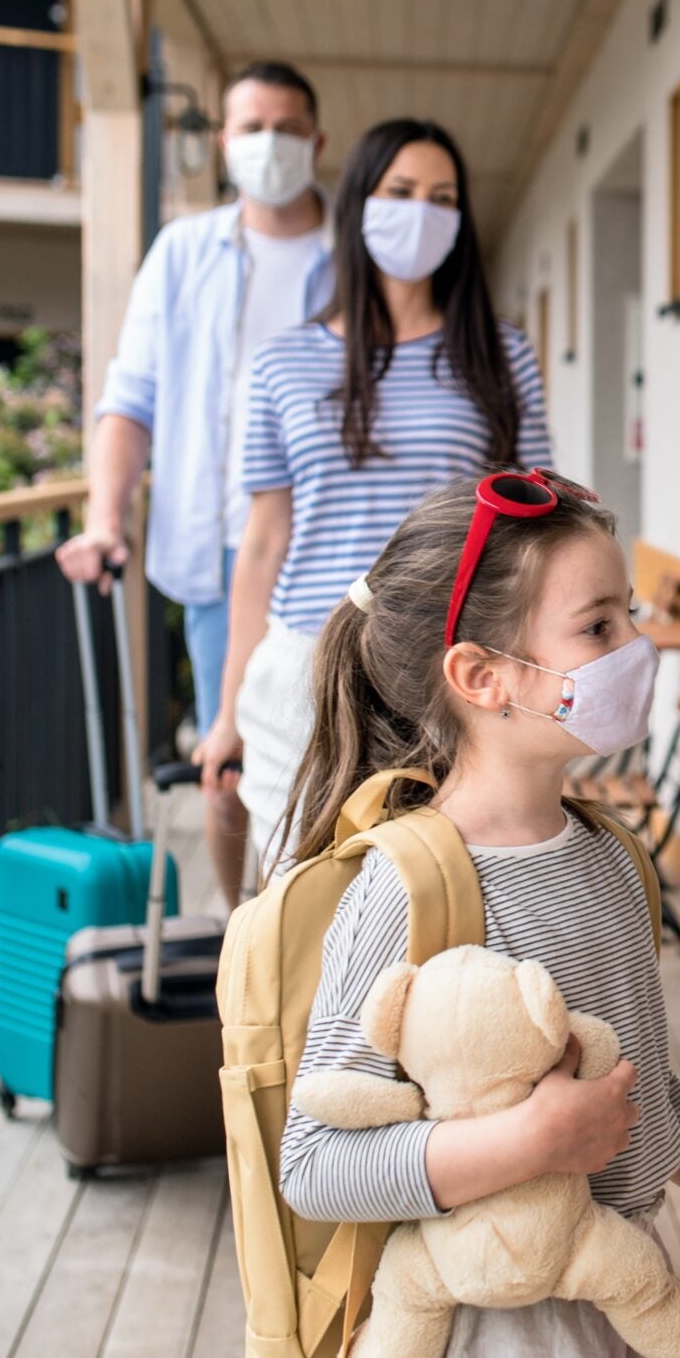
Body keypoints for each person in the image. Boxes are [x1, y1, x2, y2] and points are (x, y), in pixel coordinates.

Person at [274, 470, 680, 1358]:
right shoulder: (410, 886)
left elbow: (640, 1095)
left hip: (609, 1301)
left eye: (628, 613)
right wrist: (533, 1142)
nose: (639, 644)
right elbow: (313, 1165)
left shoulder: (610, 858)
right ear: (481, 675)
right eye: (598, 626)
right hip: (477, 1337)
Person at [199, 118, 552, 884]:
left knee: (438, 903)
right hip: (303, 672)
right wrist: (225, 713)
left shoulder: (502, 354)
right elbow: (262, 543)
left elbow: (532, 538)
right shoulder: (283, 361)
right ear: (360, 203)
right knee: (299, 903)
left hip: (444, 671)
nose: (420, 210)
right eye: (400, 191)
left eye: (442, 196)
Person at [63, 60, 332, 910]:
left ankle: (328, 942)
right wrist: (106, 515)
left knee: (336, 763)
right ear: (223, 142)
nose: (269, 145)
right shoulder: (183, 252)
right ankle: (242, 932)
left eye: (287, 128)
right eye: (251, 128)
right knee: (231, 768)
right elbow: (130, 397)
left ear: (318, 142)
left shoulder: (354, 254)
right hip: (221, 552)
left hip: (333, 545)